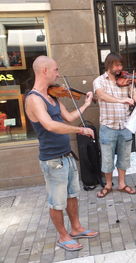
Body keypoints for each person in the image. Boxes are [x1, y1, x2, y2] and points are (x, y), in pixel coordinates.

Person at [25, 56, 98, 251]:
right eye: (56, 70)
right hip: (52, 160)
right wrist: (81, 130)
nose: (58, 74)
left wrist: (86, 104)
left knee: (72, 195)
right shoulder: (34, 99)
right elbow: (49, 125)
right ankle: (63, 236)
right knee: (56, 202)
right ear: (44, 71)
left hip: (67, 155)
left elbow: (69, 117)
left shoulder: (53, 96)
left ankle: (75, 228)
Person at [93, 53, 136, 198]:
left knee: (124, 158)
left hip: (125, 126)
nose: (119, 68)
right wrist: (121, 100)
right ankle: (108, 185)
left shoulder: (128, 81)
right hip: (108, 126)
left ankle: (122, 184)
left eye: (121, 65)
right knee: (107, 159)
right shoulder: (99, 81)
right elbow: (101, 95)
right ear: (108, 65)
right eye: (116, 65)